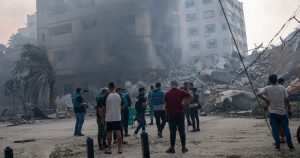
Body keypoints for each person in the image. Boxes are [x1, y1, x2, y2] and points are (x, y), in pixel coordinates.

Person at [257, 74, 294, 151]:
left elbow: (258, 94)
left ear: (269, 81)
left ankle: (277, 146)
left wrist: (266, 100)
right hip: (283, 112)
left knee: (275, 129)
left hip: (273, 113)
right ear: (276, 80)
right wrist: (289, 110)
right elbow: (287, 100)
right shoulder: (282, 88)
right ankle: (290, 146)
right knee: (286, 129)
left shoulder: (267, 88)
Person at [165, 79, 193, 154]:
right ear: (177, 84)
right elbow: (191, 97)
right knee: (182, 131)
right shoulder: (181, 91)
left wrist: (166, 114)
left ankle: (172, 148)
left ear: (171, 85)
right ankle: (183, 148)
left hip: (171, 114)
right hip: (180, 113)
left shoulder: (167, 94)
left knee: (172, 132)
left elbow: (166, 105)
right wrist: (185, 103)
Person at [103, 82, 123, 154]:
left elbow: (103, 108)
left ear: (108, 87)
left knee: (109, 132)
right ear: (115, 87)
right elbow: (123, 106)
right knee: (118, 131)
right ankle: (120, 148)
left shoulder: (106, 96)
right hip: (117, 116)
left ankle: (109, 149)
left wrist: (103, 116)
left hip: (109, 117)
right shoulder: (119, 95)